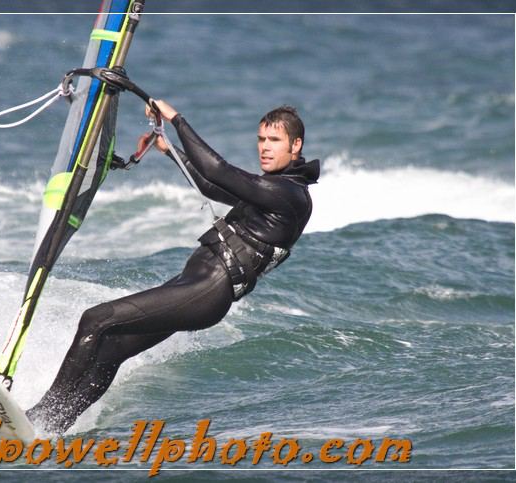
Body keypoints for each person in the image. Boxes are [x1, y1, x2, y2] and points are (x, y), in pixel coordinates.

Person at [26, 101, 320, 434]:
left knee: (96, 319)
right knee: (111, 349)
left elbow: (217, 170)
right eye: (261, 139)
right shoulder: (275, 188)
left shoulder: (289, 194)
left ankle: (41, 414)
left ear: (295, 145)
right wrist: (169, 151)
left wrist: (176, 118)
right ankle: (56, 424)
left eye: (275, 141)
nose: (265, 148)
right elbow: (212, 186)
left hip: (205, 291)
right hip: (192, 283)